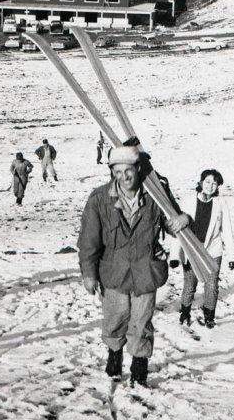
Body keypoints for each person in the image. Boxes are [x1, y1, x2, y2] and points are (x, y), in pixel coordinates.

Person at [78, 144, 190, 387]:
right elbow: (88, 241)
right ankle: (115, 357)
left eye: (127, 170)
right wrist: (89, 274)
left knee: (141, 322)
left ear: (138, 168)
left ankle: (140, 370)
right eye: (117, 172)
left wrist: (184, 219)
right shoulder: (99, 199)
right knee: (115, 319)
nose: (123, 177)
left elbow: (175, 222)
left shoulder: (156, 196)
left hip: (145, 272)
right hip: (113, 272)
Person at [177, 169, 234, 329]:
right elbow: (179, 230)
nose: (211, 186)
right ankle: (185, 313)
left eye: (214, 183)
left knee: (212, 285)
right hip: (191, 250)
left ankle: (209, 315)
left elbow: (227, 229)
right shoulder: (188, 200)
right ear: (201, 183)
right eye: (208, 182)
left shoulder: (220, 203)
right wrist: (175, 256)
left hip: (213, 250)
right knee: (190, 284)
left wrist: (232, 256)